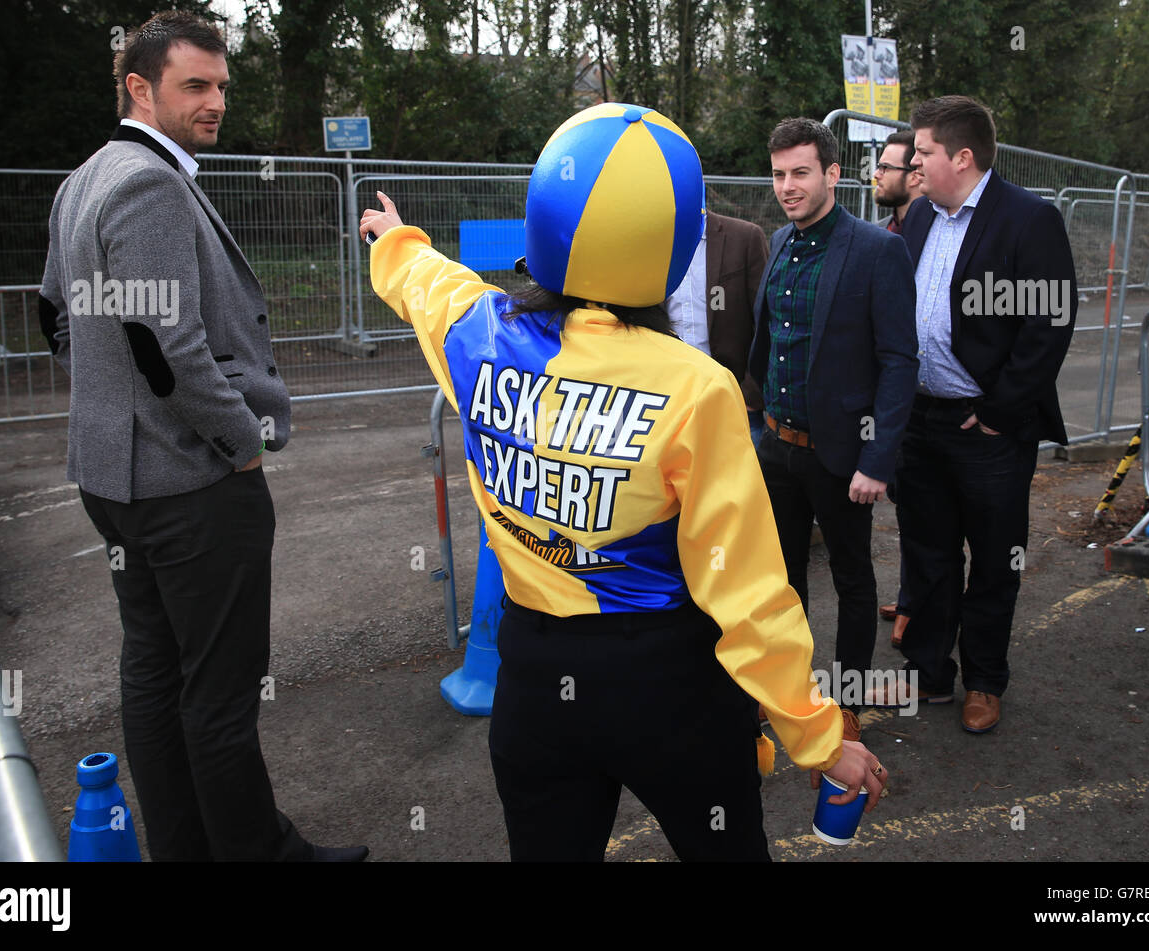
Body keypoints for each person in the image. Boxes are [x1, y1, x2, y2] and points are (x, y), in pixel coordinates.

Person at [361, 103, 888, 862]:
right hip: (668, 684)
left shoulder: (477, 333)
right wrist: (818, 735)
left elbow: (424, 282)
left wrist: (394, 238)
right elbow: (746, 591)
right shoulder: (696, 388)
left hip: (534, 678)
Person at [38, 10, 365, 861]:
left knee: (153, 675)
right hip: (190, 487)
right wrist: (242, 438)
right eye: (195, 85)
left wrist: (108, 411)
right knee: (215, 697)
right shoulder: (144, 182)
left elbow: (55, 316)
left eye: (221, 85)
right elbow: (163, 345)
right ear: (140, 89)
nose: (215, 101)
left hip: (116, 483)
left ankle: (185, 848)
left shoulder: (83, 178)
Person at [868, 96, 1076, 733]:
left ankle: (985, 681)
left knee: (993, 558)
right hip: (922, 424)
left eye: (923, 154)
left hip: (986, 430)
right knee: (928, 555)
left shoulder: (1028, 220)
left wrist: (996, 411)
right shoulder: (923, 216)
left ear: (961, 157)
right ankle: (930, 676)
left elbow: (1049, 324)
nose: (913, 166)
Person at [747, 117, 918, 743]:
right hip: (778, 448)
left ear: (832, 174)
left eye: (800, 172)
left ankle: (847, 700)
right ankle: (787, 693)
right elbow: (773, 342)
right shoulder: (779, 242)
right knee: (781, 581)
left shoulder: (877, 249)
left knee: (851, 579)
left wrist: (877, 459)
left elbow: (900, 360)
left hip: (842, 456)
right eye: (778, 174)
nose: (787, 186)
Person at [873, 128, 924, 646]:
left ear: (916, 175)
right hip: (895, 396)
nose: (878, 175)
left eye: (888, 167)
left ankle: (922, 606)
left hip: (935, 397)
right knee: (909, 506)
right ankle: (913, 595)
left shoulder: (929, 233)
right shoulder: (886, 233)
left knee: (930, 512)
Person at [665, 211, 769, 442]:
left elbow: (767, 322)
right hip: (668, 408)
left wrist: (750, 398)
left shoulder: (744, 238)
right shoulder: (648, 244)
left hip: (735, 409)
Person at [874, 129, 923, 236]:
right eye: (879, 167)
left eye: (885, 167)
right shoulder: (880, 231)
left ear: (914, 178)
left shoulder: (934, 234)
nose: (876, 174)